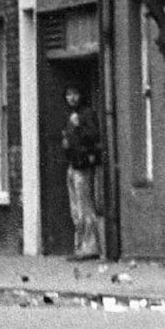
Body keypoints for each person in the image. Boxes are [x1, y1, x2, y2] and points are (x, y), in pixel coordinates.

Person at [61, 84, 101, 261]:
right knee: (75, 209)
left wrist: (78, 127)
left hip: (83, 165)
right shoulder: (70, 116)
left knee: (85, 207)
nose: (72, 98)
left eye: (75, 93)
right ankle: (80, 247)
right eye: (69, 94)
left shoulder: (86, 114)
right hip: (73, 164)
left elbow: (94, 136)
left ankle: (90, 247)